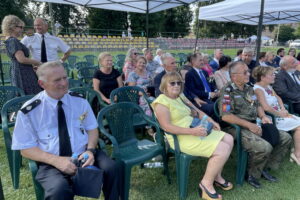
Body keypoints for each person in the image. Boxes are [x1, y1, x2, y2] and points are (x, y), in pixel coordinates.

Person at [11, 61, 121, 200]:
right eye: (57, 80)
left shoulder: (79, 101)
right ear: (42, 84)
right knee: (58, 190)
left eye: (65, 77)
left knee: (111, 168)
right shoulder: (30, 111)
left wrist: (90, 150)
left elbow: (92, 128)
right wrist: (56, 161)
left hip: (83, 154)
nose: (64, 83)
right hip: (50, 161)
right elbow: (25, 148)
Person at [152, 72, 233, 200]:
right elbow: (166, 127)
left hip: (195, 129)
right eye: (172, 83)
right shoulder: (161, 103)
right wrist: (193, 132)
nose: (176, 85)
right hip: (180, 137)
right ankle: (205, 185)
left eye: (179, 82)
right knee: (222, 149)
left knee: (229, 139)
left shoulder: (181, 96)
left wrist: (211, 121)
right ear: (164, 86)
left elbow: (197, 111)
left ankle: (217, 176)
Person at [219, 61, 292, 189]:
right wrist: (249, 125)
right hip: (236, 128)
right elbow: (226, 116)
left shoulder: (248, 88)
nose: (248, 74)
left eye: (248, 71)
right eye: (245, 72)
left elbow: (257, 105)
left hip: (254, 124)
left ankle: (264, 168)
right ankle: (251, 174)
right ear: (234, 76)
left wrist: (263, 116)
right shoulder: (227, 91)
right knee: (264, 147)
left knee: (285, 138)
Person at [253, 66, 300, 166]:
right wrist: (281, 114)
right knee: (299, 127)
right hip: (270, 118)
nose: (274, 76)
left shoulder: (268, 86)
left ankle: (296, 148)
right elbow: (265, 108)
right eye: (271, 74)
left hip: (279, 114)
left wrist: (283, 108)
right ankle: (296, 154)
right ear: (262, 77)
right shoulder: (258, 89)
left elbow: (278, 98)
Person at [1, 15, 42, 95]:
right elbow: (21, 59)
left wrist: (31, 67)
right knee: (29, 95)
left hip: (21, 70)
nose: (22, 30)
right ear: (13, 27)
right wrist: (38, 62)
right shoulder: (13, 40)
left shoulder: (11, 40)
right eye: (20, 27)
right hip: (22, 73)